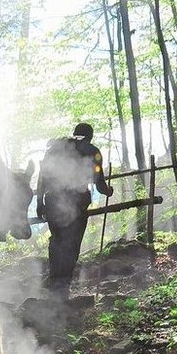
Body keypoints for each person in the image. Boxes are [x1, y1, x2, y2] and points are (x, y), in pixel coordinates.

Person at [38, 123, 113, 293]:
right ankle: (64, 286)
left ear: (74, 133)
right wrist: (108, 191)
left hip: (52, 201)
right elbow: (99, 184)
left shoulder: (55, 149)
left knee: (57, 241)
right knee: (72, 244)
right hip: (77, 202)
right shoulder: (92, 151)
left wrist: (39, 202)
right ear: (90, 136)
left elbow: (43, 176)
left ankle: (55, 283)